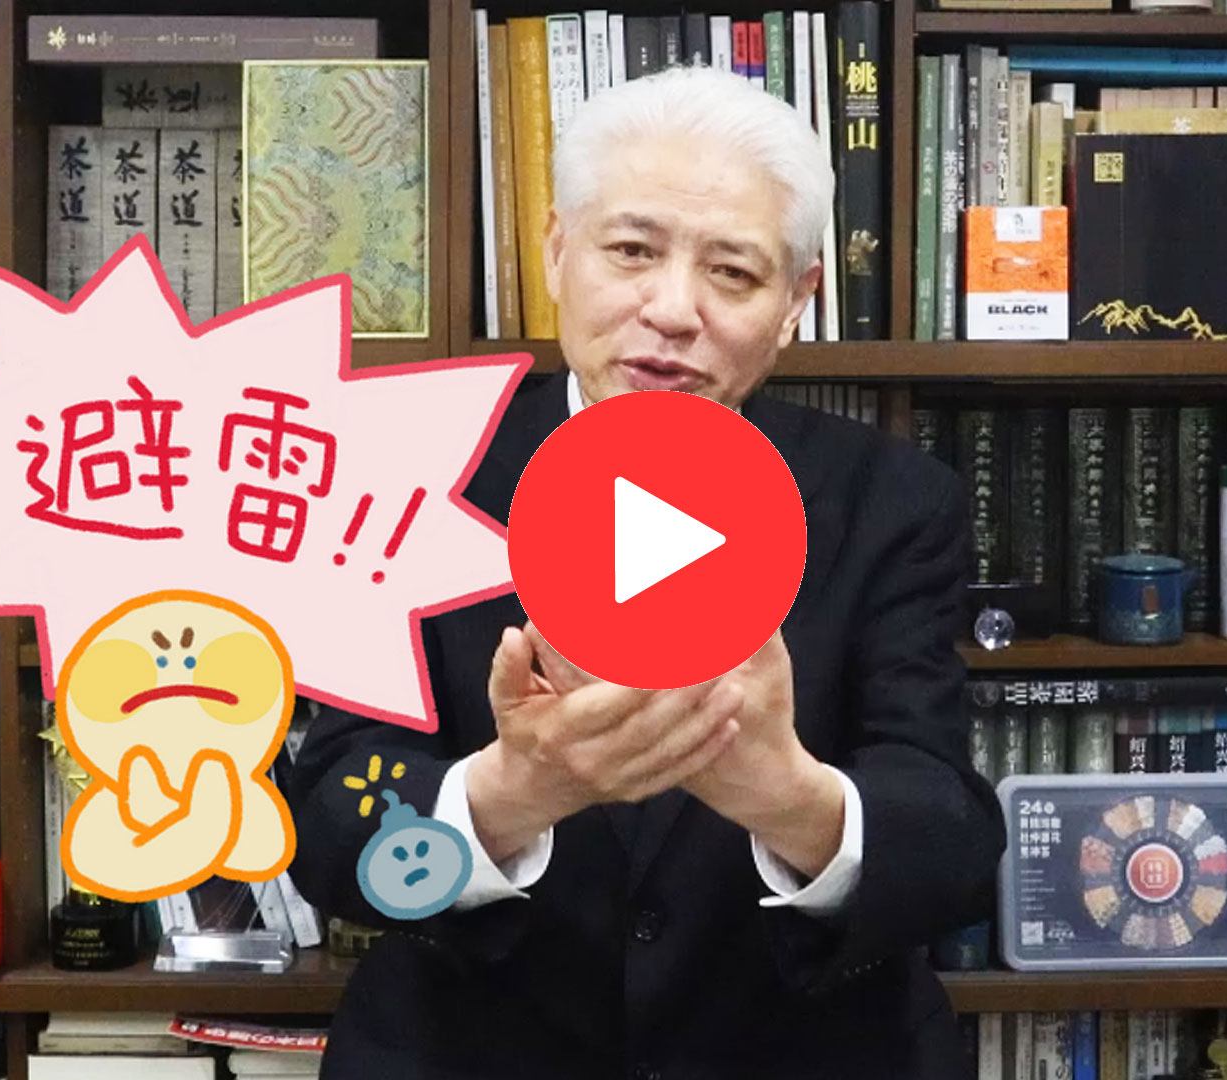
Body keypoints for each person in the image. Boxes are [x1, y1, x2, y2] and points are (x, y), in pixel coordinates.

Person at [285, 64, 1004, 1079]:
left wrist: (788, 797)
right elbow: (328, 828)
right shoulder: (408, 476)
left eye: (734, 273)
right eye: (631, 251)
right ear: (556, 251)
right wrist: (508, 794)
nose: (672, 310)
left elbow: (949, 844)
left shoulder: (892, 503)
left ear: (796, 303)